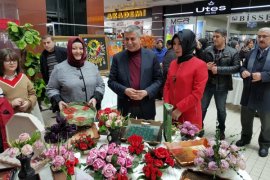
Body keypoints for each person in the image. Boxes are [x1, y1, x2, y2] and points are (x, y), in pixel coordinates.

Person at [108, 25, 162, 120]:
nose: (129, 42)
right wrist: (125, 90)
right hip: (125, 107)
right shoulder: (118, 58)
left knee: (147, 134)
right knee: (125, 134)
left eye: (132, 39)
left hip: (146, 106)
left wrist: (147, 92)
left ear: (140, 39)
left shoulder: (151, 56)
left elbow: (158, 80)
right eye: (126, 39)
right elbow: (111, 81)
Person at [236, 27, 270, 157]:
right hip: (249, 92)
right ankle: (245, 138)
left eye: (264, 36)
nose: (261, 39)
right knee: (245, 118)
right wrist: (242, 71)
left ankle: (264, 144)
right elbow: (243, 66)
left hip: (266, 94)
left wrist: (263, 76)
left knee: (267, 123)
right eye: (259, 36)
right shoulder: (251, 52)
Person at [163, 29, 208, 129]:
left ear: (188, 44)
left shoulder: (200, 65)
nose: (176, 47)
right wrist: (166, 104)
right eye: (174, 44)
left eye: (180, 44)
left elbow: (197, 93)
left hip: (189, 113)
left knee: (187, 143)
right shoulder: (173, 63)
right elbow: (167, 84)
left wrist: (179, 109)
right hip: (171, 112)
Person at [46, 37, 105, 112]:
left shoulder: (92, 67)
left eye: (81, 48)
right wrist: (59, 101)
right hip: (69, 114)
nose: (78, 51)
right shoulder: (59, 69)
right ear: (69, 50)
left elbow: (100, 85)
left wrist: (95, 98)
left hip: (91, 112)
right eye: (74, 48)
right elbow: (51, 88)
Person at [201, 28, 240, 140]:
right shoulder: (208, 50)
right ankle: (199, 127)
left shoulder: (233, 52)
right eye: (213, 36)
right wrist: (205, 67)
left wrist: (219, 69)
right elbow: (199, 64)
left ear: (224, 37)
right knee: (202, 108)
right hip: (207, 84)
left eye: (217, 36)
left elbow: (236, 68)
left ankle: (221, 130)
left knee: (221, 110)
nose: (214, 38)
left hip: (222, 86)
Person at [0, 48, 37, 113]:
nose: (12, 63)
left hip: (26, 116)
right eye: (8, 60)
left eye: (14, 60)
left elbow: (33, 94)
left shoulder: (23, 77)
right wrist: (11, 104)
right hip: (7, 120)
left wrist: (29, 103)